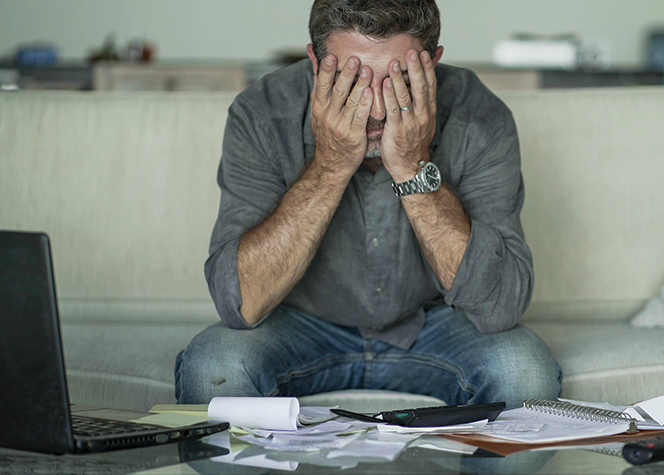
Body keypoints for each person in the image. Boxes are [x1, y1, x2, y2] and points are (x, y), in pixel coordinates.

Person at [174, 0, 561, 409]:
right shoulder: (261, 113)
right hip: (298, 325)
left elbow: (500, 308)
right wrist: (329, 165)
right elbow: (239, 304)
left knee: (526, 374)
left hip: (434, 325)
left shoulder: (481, 116)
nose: (376, 110)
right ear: (314, 62)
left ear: (434, 63)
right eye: (352, 81)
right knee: (212, 367)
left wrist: (414, 166)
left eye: (398, 82)